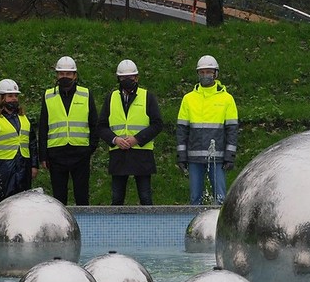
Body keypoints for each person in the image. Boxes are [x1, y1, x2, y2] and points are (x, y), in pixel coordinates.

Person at [97, 59, 163, 205]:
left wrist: (137, 139)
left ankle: (149, 226)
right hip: (118, 154)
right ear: (118, 79)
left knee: (145, 198)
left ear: (136, 78)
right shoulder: (111, 98)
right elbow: (101, 126)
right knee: (117, 199)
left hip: (142, 154)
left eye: (131, 77)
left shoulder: (147, 97)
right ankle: (115, 227)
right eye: (123, 78)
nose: (127, 80)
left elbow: (157, 124)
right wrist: (115, 140)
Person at [176, 55, 239, 205]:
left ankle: (217, 228)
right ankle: (194, 228)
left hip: (217, 158)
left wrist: (229, 155)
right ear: (198, 74)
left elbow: (232, 130)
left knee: (220, 199)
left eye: (208, 72)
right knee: (194, 200)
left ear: (215, 74)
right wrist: (181, 155)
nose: (205, 76)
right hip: (194, 157)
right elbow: (181, 130)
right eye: (202, 72)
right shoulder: (189, 99)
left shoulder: (226, 99)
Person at [38, 55, 98, 205]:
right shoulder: (48, 95)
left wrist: (91, 147)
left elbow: (94, 123)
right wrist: (43, 156)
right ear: (57, 75)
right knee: (59, 198)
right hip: (56, 152)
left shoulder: (86, 94)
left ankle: (84, 226)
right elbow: (43, 126)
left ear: (75, 75)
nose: (64, 77)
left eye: (68, 74)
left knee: (82, 196)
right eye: (61, 73)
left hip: (80, 152)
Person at [0, 79, 39, 205]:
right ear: (1, 98)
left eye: (16, 96)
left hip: (23, 166)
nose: (14, 99)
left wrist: (34, 165)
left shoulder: (23, 117)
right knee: (1, 203)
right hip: (1, 167)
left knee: (23, 202)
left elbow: (32, 143)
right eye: (10, 96)